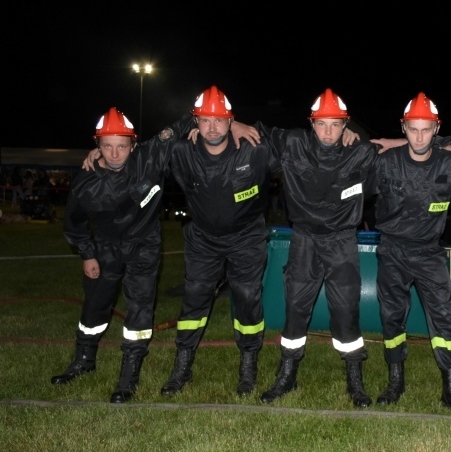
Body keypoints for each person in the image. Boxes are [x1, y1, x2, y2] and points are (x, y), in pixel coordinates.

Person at [255, 89, 401, 409]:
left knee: (347, 309)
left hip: (341, 241)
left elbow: (414, 147)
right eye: (322, 125)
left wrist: (400, 141)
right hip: (304, 238)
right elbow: (252, 132)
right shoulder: (293, 142)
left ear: (345, 125)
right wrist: (236, 125)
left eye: (336, 125)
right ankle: (287, 375)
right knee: (295, 307)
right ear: (312, 124)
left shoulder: (359, 151)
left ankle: (355, 379)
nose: (329, 132)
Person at [155, 85, 282, 398]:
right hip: (203, 240)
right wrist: (99, 156)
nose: (212, 127)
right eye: (205, 120)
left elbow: (305, 150)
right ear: (196, 122)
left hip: (247, 238)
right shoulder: (182, 152)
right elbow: (142, 153)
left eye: (220, 120)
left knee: (248, 298)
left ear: (231, 121)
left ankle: (248, 362)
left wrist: (346, 141)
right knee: (194, 298)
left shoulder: (255, 148)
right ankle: (182, 364)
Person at [53, 107, 186, 403]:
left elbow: (187, 122)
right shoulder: (86, 182)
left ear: (133, 145)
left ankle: (129, 374)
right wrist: (87, 255)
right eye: (107, 146)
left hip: (144, 247)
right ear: (97, 147)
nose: (115, 154)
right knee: (94, 308)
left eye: (121, 146)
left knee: (140, 307)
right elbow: (73, 223)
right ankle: (83, 361)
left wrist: (236, 125)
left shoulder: (150, 157)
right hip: (104, 250)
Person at [368, 92, 451, 420]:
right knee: (392, 317)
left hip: (430, 254)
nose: (420, 137)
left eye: (426, 129)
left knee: (444, 318)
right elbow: (351, 187)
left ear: (436, 130)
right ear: (403, 128)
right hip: (392, 251)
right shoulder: (385, 162)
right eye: (413, 129)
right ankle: (395, 383)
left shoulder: (450, 163)